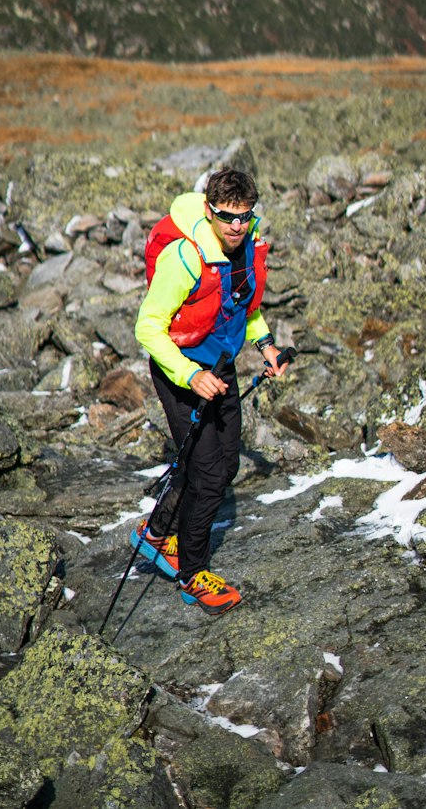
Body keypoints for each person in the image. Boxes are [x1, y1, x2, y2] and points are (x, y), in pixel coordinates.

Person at [133, 167, 288, 614]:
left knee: (226, 465)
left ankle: (157, 533)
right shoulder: (184, 256)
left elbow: (244, 305)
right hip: (180, 372)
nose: (237, 226)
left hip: (220, 367)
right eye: (227, 217)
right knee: (206, 473)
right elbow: (148, 327)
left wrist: (266, 345)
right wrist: (189, 375)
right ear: (209, 210)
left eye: (244, 216)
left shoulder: (245, 246)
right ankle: (191, 573)